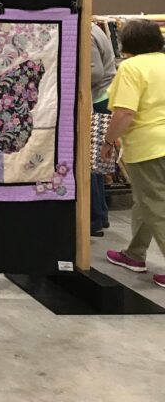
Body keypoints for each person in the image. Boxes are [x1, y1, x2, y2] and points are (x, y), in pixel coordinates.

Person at [103, 19, 165, 288]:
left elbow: (125, 112)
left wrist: (108, 140)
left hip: (147, 145)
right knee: (146, 201)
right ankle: (134, 254)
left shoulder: (131, 67)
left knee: (155, 205)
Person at [91, 23, 117, 236]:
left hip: (97, 99)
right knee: (96, 162)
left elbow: (95, 73)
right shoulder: (94, 29)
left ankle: (95, 218)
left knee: (90, 163)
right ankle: (100, 216)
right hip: (103, 97)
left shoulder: (87, 33)